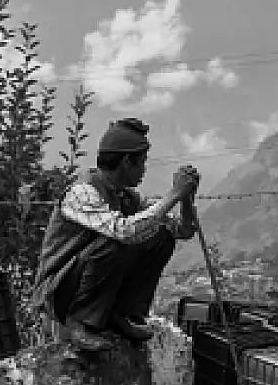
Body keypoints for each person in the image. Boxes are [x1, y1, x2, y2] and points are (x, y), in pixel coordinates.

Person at [31, 118, 200, 351]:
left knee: (160, 235)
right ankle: (77, 323)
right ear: (127, 162)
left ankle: (122, 315)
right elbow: (124, 232)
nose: (144, 170)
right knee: (118, 240)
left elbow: (182, 230)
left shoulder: (126, 197)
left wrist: (186, 197)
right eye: (141, 163)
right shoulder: (82, 192)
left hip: (84, 280)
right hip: (60, 292)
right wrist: (173, 195)